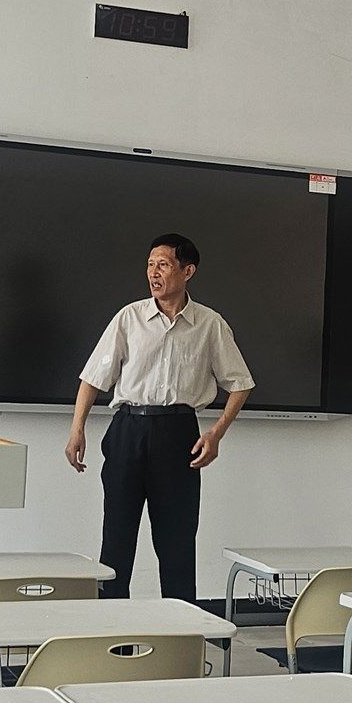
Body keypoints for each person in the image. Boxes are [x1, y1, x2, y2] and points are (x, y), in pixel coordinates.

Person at [66, 233, 254, 600]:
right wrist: (77, 430)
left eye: (163, 265)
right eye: (150, 265)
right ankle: (112, 628)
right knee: (116, 538)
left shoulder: (209, 324)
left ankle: (180, 631)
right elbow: (92, 379)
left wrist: (215, 433)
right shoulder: (129, 318)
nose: (154, 273)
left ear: (188, 271)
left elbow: (240, 383)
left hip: (178, 434)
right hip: (128, 430)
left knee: (177, 542)